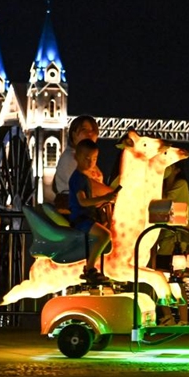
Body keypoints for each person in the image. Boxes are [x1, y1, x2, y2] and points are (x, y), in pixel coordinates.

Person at [154, 160, 189, 326]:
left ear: (177, 169)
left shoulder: (181, 184)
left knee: (176, 281)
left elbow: (165, 202)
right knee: (161, 278)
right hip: (167, 239)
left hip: (177, 241)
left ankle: (183, 319)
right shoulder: (167, 185)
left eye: (170, 166)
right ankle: (168, 317)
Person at [68, 139, 116, 285]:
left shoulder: (85, 178)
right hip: (81, 219)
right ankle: (89, 269)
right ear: (77, 157)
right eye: (87, 158)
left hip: (87, 216)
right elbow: (82, 202)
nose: (90, 162)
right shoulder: (78, 178)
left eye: (94, 159)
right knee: (105, 235)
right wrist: (105, 197)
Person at [54, 115, 102, 196]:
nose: (90, 133)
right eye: (84, 129)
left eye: (93, 130)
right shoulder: (71, 158)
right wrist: (114, 194)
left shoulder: (87, 158)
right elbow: (88, 187)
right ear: (74, 135)